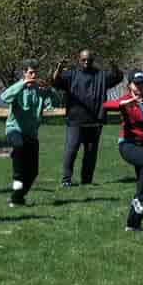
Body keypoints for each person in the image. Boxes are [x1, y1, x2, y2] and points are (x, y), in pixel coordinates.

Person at [100, 69, 143, 231]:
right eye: (136, 84)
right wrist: (124, 104)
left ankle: (133, 224)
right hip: (128, 145)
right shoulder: (127, 100)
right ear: (129, 85)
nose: (139, 87)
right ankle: (139, 199)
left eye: (142, 84)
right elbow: (106, 105)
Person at [53, 50, 123, 187]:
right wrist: (59, 69)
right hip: (75, 120)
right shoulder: (72, 74)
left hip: (95, 120)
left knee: (90, 154)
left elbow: (118, 77)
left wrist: (114, 65)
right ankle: (66, 180)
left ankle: (87, 181)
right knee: (71, 150)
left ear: (93, 60)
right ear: (79, 60)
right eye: (83, 60)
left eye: (89, 60)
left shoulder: (101, 75)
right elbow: (55, 81)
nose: (86, 62)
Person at [0, 59, 57, 206]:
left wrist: (50, 89)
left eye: (35, 72)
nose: (33, 75)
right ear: (24, 73)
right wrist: (22, 84)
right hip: (14, 129)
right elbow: (4, 97)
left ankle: (17, 198)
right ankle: (17, 177)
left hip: (31, 134)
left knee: (33, 172)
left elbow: (55, 103)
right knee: (18, 145)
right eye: (30, 72)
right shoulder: (18, 87)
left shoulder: (40, 90)